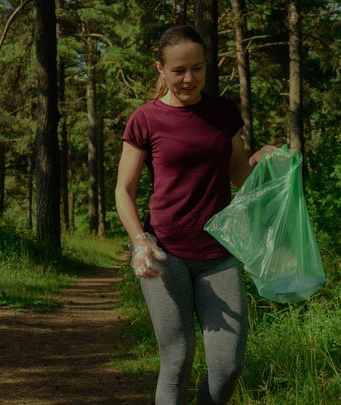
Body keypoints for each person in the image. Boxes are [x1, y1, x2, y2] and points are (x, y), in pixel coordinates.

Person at [114, 25, 276, 404]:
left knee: (228, 365)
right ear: (161, 69)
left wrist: (262, 162)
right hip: (164, 254)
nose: (189, 78)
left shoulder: (222, 112)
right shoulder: (145, 119)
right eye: (179, 70)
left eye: (198, 69)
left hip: (218, 254)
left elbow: (239, 174)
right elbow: (123, 190)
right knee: (178, 358)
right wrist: (139, 240)